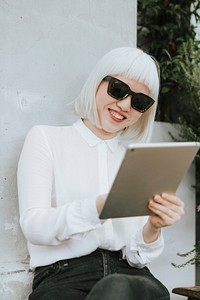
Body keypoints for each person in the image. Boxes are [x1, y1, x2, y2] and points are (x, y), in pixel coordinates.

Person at [17, 47, 184, 300]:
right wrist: (96, 208)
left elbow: (136, 256)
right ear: (97, 82)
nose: (125, 105)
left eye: (139, 102)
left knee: (136, 290)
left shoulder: (135, 160)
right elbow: (34, 226)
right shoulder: (46, 138)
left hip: (130, 276)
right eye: (118, 90)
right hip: (64, 275)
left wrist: (154, 226)